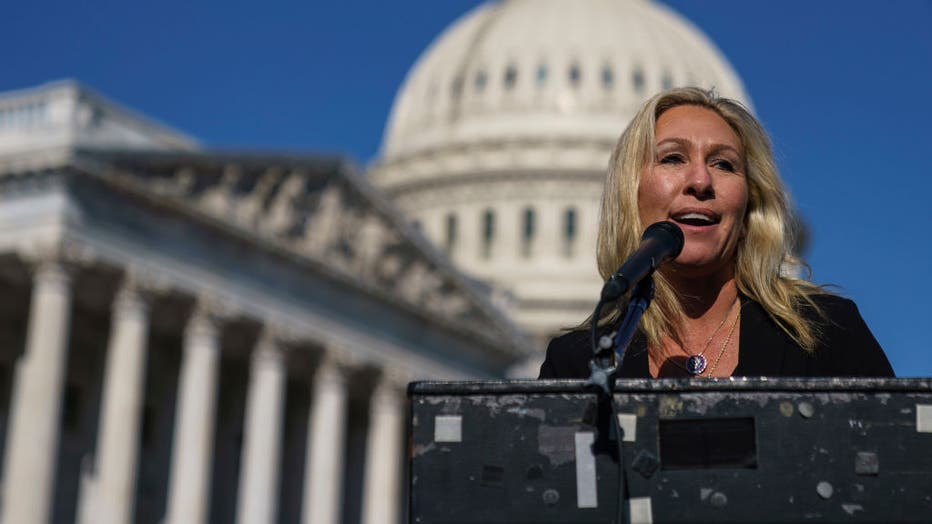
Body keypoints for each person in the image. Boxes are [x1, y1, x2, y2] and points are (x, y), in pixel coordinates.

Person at [539, 87, 894, 379]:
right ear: (630, 195)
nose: (700, 181)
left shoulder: (824, 331)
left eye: (723, 164)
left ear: (749, 207)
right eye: (673, 158)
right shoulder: (577, 362)